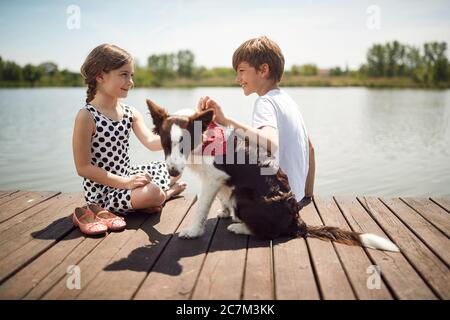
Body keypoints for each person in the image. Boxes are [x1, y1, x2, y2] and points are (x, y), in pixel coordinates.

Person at [198, 36, 315, 207]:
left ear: (263, 70)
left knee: (220, 144)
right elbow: (310, 148)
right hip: (293, 200)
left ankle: (230, 207)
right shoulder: (288, 101)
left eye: (241, 71)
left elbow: (270, 142)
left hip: (276, 202)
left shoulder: (265, 102)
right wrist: (307, 197)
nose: (237, 79)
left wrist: (224, 120)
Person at [72, 44, 186, 215]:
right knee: (153, 192)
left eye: (131, 75)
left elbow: (151, 143)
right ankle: (166, 194)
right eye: (124, 75)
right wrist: (125, 183)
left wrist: (181, 133)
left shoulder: (130, 112)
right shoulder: (86, 116)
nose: (130, 82)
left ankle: (153, 199)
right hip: (104, 193)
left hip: (129, 176)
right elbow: (83, 168)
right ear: (100, 76)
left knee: (176, 166)